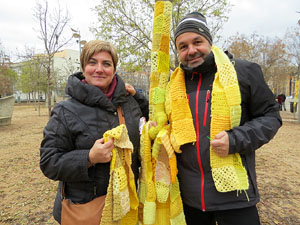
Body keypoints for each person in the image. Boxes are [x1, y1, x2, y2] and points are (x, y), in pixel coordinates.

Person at [166, 12, 282, 225]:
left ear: (209, 41)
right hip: (189, 199)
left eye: (197, 42)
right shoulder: (173, 84)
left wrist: (236, 139)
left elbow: (271, 116)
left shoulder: (243, 72)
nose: (191, 51)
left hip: (236, 198)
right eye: (183, 46)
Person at [40, 40, 148, 224]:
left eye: (106, 64)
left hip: (127, 207)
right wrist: (89, 157)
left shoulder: (129, 103)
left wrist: (139, 99)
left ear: (114, 69)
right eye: (92, 62)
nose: (99, 69)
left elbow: (147, 128)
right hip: (86, 210)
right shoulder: (65, 111)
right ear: (83, 68)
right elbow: (49, 161)